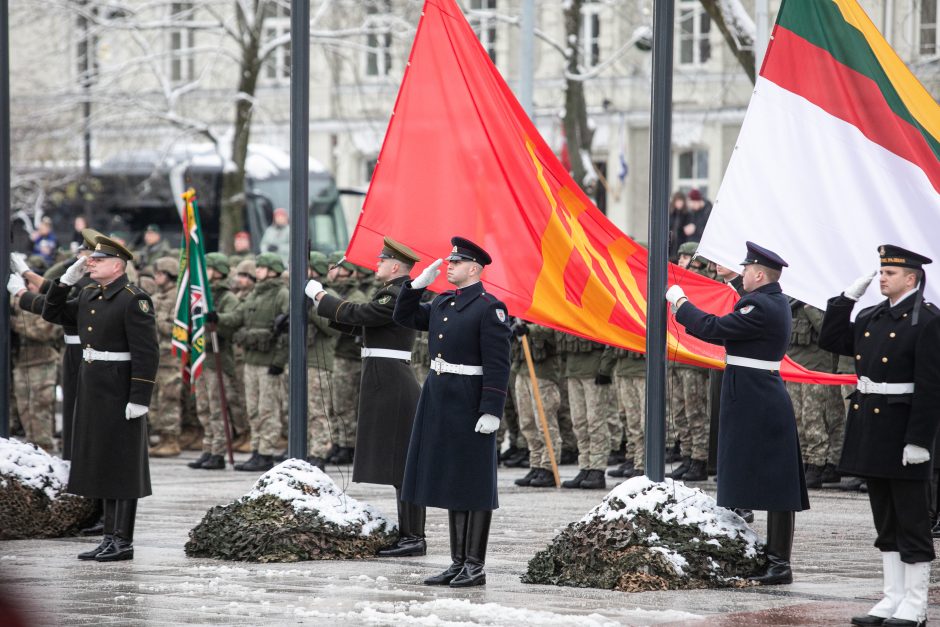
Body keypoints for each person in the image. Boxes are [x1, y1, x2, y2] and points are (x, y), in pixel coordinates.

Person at [666, 241, 809, 585]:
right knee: (749, 471)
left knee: (776, 481)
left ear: (759, 274)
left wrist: (680, 303)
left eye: (746, 269)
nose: (743, 272)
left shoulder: (761, 306)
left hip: (756, 396)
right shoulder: (767, 300)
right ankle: (765, 556)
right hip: (752, 391)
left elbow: (714, 329)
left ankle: (779, 563)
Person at [818, 245, 940, 627]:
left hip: (904, 430)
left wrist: (920, 440)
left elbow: (931, 386)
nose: (882, 277)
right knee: (885, 520)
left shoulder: (927, 321)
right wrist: (844, 301)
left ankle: (915, 604)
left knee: (912, 519)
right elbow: (833, 340)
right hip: (871, 428)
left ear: (911, 278)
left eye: (890, 272)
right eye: (882, 271)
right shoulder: (872, 314)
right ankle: (892, 598)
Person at [393, 236, 512, 587]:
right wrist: (415, 286)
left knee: (474, 482)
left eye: (456, 263)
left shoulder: (489, 308)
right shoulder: (444, 301)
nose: (449, 266)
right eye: (449, 262)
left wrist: (491, 409)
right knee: (451, 479)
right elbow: (404, 317)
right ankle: (456, 562)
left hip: (470, 398)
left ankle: (474, 565)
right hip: (440, 397)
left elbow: (498, 364)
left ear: (474, 268)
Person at [42, 235, 159, 562]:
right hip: (92, 386)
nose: (90, 263)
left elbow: (147, 352)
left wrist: (140, 396)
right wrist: (65, 281)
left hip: (119, 387)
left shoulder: (133, 299)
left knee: (123, 464)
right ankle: (109, 537)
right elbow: (52, 313)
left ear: (117, 266)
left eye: (97, 260)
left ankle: (123, 541)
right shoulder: (89, 293)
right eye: (90, 259)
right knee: (103, 462)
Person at [306, 237, 425, 557]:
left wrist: (320, 295)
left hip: (393, 381)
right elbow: (363, 325)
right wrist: (324, 306)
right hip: (383, 377)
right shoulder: (393, 291)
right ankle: (409, 534)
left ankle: (414, 537)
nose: (377, 264)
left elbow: (363, 314)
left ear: (396, 266)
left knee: (403, 465)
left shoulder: (398, 293)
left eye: (382, 260)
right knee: (397, 463)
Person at [208, 253, 289, 472]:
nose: (258, 271)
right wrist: (218, 318)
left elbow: (287, 332)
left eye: (262, 267)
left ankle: (266, 452)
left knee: (268, 409)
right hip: (252, 360)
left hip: (269, 362)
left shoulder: (282, 294)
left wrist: (279, 362)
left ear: (272, 270)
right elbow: (238, 317)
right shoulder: (254, 294)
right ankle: (256, 449)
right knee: (253, 409)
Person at [190, 253, 241, 471]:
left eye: (209, 268)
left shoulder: (227, 297)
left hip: (218, 357)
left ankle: (218, 451)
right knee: (203, 407)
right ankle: (208, 448)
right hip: (202, 356)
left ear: (218, 271)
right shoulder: (201, 294)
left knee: (217, 407)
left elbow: (236, 319)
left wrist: (217, 318)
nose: (205, 272)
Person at [509, 320, 561, 488]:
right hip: (522, 367)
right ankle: (536, 462)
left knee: (544, 421)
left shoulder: (546, 301)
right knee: (527, 422)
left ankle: (548, 466)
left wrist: (530, 329)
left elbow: (554, 328)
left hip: (542, 370)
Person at [302, 251, 340, 470]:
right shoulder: (299, 294)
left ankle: (319, 452)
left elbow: (331, 327)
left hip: (320, 361)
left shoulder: (328, 295)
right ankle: (306, 449)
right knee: (303, 410)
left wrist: (313, 310)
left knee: (319, 410)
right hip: (303, 361)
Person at [148, 257, 184, 457]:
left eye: (160, 274)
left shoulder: (177, 298)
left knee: (168, 399)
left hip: (170, 357)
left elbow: (179, 329)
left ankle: (171, 439)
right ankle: (161, 437)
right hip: (156, 356)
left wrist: (158, 320)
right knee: (154, 401)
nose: (156, 278)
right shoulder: (155, 298)